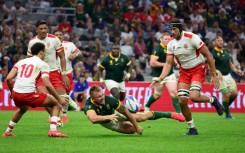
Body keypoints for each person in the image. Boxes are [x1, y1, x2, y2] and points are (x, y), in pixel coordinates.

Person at [151, 19, 224, 135]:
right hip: (184, 72)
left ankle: (212, 100)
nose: (172, 32)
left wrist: (214, 75)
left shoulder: (192, 37)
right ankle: (192, 128)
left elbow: (208, 55)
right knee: (182, 101)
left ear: (179, 28)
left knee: (194, 97)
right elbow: (168, 64)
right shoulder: (171, 44)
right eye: (170, 30)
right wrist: (160, 78)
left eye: (174, 29)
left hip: (198, 69)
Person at [2, 42, 68, 137]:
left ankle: (7, 132)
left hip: (16, 93)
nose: (45, 53)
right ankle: (53, 131)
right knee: (55, 103)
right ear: (41, 52)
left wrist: (12, 92)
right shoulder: (43, 64)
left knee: (22, 108)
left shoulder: (21, 62)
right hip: (28, 94)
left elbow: (8, 78)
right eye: (44, 51)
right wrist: (59, 99)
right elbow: (47, 84)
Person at [84, 85, 185, 134]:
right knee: (131, 131)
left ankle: (170, 114)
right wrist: (108, 117)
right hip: (108, 122)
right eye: (99, 97)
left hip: (116, 113)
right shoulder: (89, 105)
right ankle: (135, 113)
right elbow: (93, 119)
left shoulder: (110, 100)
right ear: (93, 98)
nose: (102, 98)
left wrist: (137, 126)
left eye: (102, 95)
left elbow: (125, 112)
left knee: (142, 118)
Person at [27, 20, 74, 123]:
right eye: (41, 29)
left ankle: (61, 114)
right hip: (39, 74)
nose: (43, 30)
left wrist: (64, 74)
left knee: (63, 96)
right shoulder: (32, 42)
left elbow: (62, 57)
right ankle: (55, 119)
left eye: (45, 28)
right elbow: (29, 59)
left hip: (54, 72)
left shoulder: (54, 39)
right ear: (36, 30)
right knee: (46, 99)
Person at [143, 32, 181, 113]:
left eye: (168, 39)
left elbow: (172, 57)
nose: (167, 41)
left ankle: (179, 113)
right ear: (161, 40)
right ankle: (147, 105)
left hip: (170, 74)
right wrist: (166, 65)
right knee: (157, 95)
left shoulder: (170, 48)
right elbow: (152, 63)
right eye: (165, 39)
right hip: (158, 75)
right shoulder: (157, 49)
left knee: (174, 92)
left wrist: (176, 62)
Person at [211, 36, 243, 119]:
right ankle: (228, 115)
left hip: (228, 75)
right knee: (226, 95)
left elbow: (229, 63)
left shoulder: (225, 51)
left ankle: (223, 107)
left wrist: (236, 70)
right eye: (218, 40)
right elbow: (210, 66)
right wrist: (217, 73)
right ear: (215, 43)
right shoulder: (213, 53)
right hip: (220, 77)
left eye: (221, 40)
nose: (220, 42)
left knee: (235, 93)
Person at [53, 29, 79, 120]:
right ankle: (53, 114)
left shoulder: (69, 44)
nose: (59, 36)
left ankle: (64, 114)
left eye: (60, 34)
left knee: (66, 94)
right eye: (56, 35)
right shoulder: (51, 45)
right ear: (53, 36)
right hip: (56, 73)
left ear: (63, 36)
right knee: (57, 94)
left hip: (67, 73)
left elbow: (77, 51)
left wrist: (74, 55)